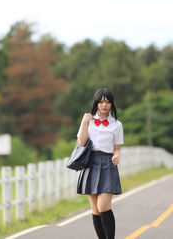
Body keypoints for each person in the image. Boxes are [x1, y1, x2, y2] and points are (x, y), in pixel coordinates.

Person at [76, 88, 123, 239]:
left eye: (107, 102)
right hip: (91, 165)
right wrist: (84, 122)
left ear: (111, 104)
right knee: (95, 210)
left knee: (103, 207)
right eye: (101, 102)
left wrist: (117, 156)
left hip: (107, 165)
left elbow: (116, 149)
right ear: (96, 103)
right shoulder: (88, 122)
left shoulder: (116, 125)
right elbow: (82, 143)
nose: (104, 105)